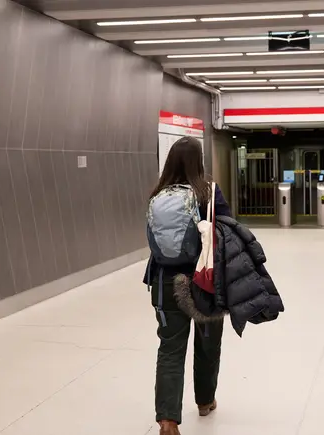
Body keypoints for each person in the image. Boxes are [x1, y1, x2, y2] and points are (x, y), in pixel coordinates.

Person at [143, 136, 231, 435]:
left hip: (164, 281)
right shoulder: (208, 192)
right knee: (208, 343)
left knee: (170, 347)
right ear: (199, 161)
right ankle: (205, 401)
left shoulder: (158, 194)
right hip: (204, 280)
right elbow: (226, 230)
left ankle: (167, 420)